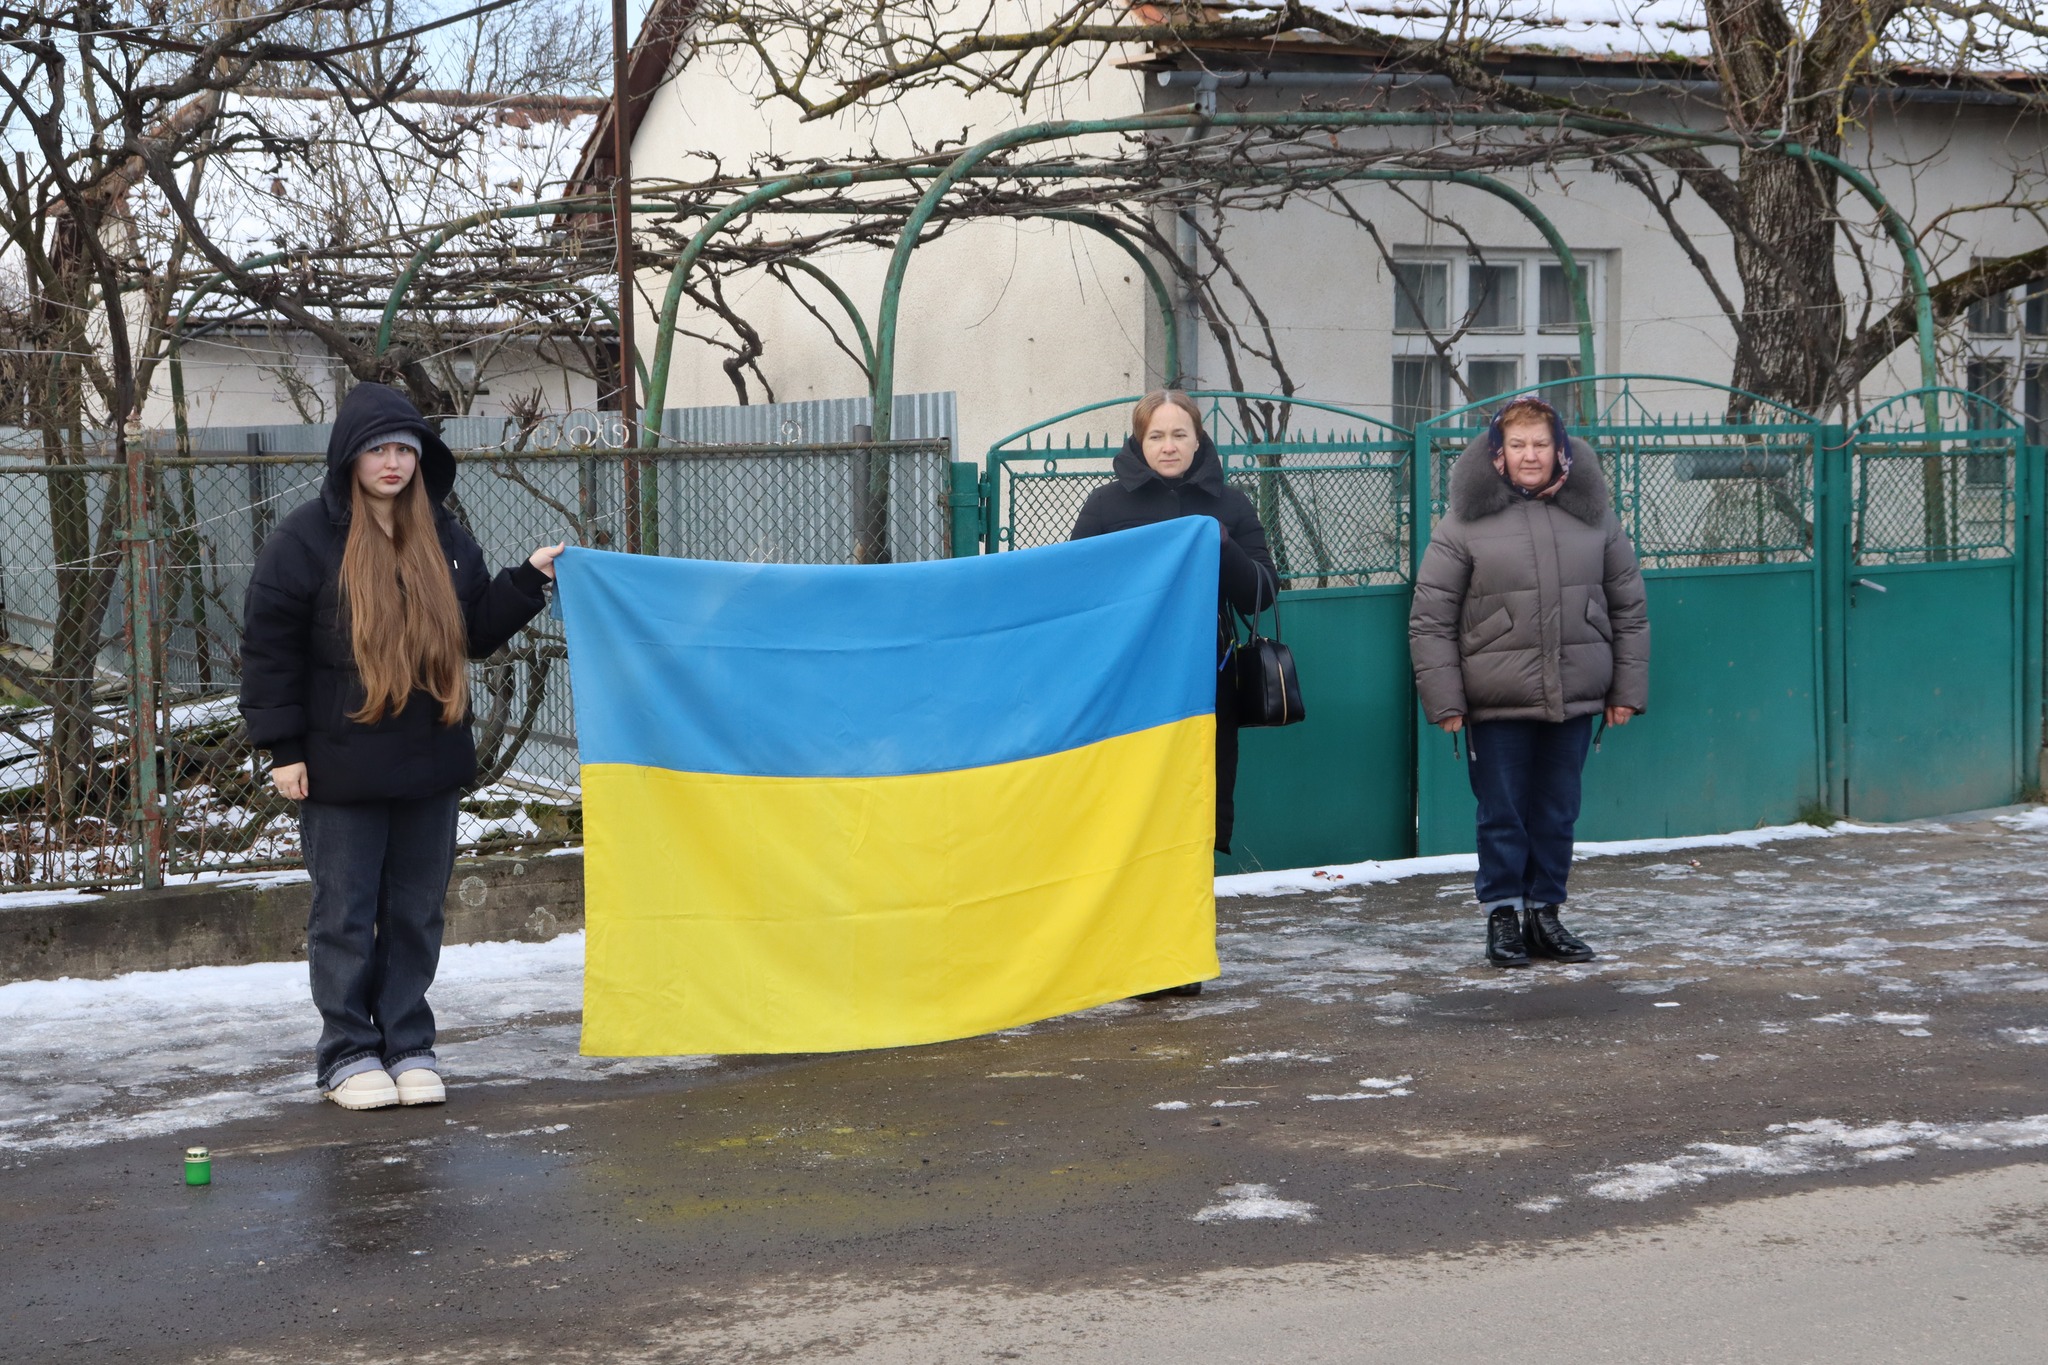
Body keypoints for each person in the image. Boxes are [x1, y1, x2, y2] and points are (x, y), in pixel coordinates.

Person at [239, 382, 564, 1110]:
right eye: (379, 449)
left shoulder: (443, 537)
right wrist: (282, 748)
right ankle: (348, 1052)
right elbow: (268, 651)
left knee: (417, 911)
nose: (392, 463)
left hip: (429, 758)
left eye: (405, 450)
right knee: (346, 913)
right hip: (338, 762)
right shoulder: (303, 540)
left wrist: (528, 579)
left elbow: (475, 627)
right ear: (350, 455)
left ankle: (408, 1042)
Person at [1408, 394, 1649, 968]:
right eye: (1517, 445)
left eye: (1541, 444)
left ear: (1560, 448)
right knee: (1503, 810)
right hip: (1495, 696)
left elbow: (1628, 608)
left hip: (1576, 691)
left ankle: (1546, 914)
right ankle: (1502, 917)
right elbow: (1432, 616)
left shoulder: (1594, 516)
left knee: (1557, 808)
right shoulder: (1463, 522)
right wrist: (1445, 700)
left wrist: (1625, 692)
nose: (1530, 455)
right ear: (1498, 454)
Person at [1070, 389, 1279, 858]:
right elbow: (1076, 588)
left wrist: (1223, 545)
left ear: (1198, 439)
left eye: (1180, 434)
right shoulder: (1105, 506)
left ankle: (1191, 911)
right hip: (1128, 682)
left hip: (1206, 680)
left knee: (1199, 797)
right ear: (1139, 442)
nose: (1169, 446)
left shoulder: (1231, 504)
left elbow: (1263, 592)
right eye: (1157, 435)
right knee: (1131, 803)